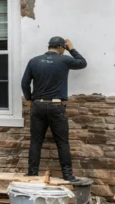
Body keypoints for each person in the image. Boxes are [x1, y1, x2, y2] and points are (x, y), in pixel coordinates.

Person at [21, 36, 88, 181]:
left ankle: (32, 173)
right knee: (62, 142)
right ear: (60, 47)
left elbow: (24, 83)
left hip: (38, 105)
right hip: (56, 106)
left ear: (49, 46)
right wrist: (72, 48)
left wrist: (29, 100)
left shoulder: (34, 61)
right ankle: (68, 175)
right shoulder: (64, 60)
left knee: (36, 141)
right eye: (63, 49)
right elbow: (82, 63)